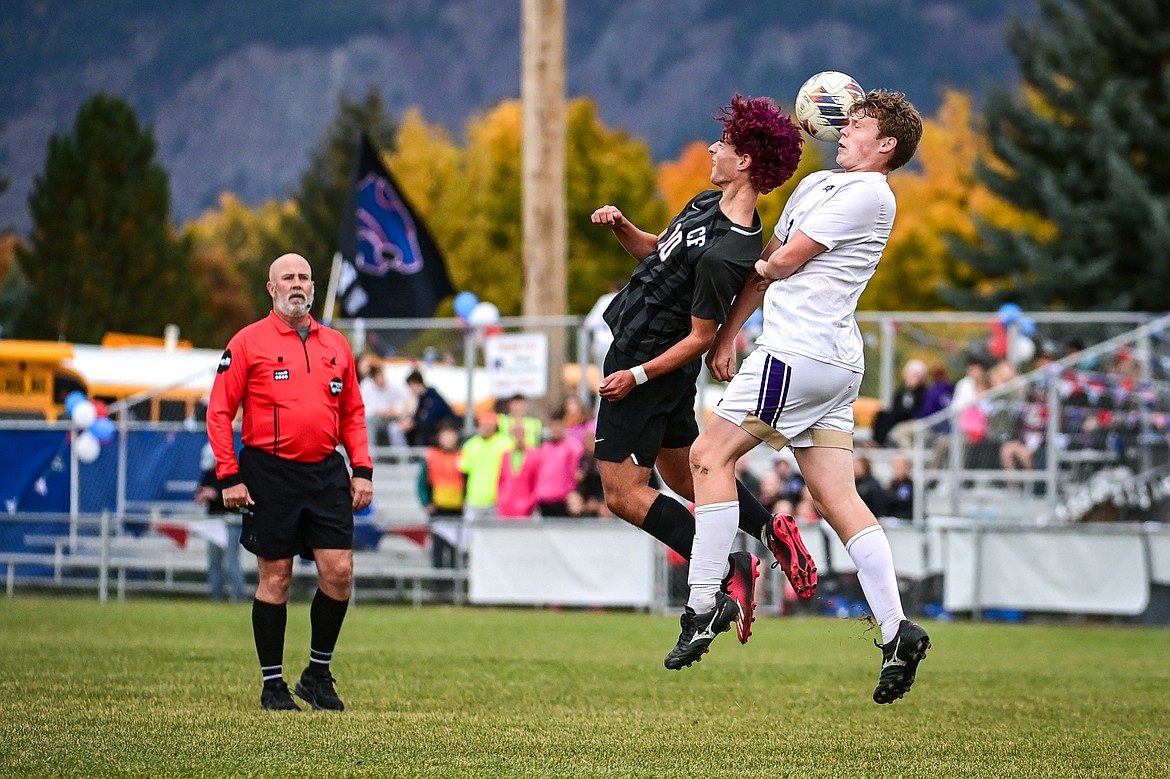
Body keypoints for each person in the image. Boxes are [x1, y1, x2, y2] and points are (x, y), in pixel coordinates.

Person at [680, 89, 931, 704]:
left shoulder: (872, 191)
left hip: (800, 354)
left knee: (708, 457)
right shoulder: (819, 183)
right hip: (828, 361)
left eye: (860, 123)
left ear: (888, 145)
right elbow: (770, 264)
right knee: (836, 495)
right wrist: (733, 329)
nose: (844, 128)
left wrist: (738, 261)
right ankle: (898, 629)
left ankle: (703, 602)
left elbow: (783, 260)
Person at [590, 93, 815, 650]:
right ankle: (768, 529)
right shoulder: (701, 205)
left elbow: (700, 337)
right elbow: (654, 254)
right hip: (646, 357)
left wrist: (637, 376)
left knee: (622, 493)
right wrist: (622, 226)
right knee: (688, 478)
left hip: (648, 363)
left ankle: (726, 569)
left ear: (744, 162)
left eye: (725, 142)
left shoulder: (730, 251)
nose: (714, 147)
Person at [206, 252, 373, 712]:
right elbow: (219, 412)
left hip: (325, 471)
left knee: (339, 572)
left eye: (303, 276)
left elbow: (353, 413)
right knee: (275, 577)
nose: (296, 284)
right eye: (288, 278)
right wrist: (229, 475)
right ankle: (272, 684)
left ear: (313, 286)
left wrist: (362, 468)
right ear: (271, 288)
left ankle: (317, 675)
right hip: (269, 472)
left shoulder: (336, 344)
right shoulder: (246, 342)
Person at [194, 442, 246, 602]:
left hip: (230, 522)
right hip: (213, 522)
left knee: (231, 562)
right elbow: (199, 494)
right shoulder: (208, 474)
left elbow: (237, 498)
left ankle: (238, 596)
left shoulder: (233, 473)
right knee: (214, 562)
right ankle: (216, 596)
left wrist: (216, 494)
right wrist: (203, 495)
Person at [417, 420, 464, 570]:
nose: (448, 439)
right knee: (438, 548)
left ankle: (454, 583)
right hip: (438, 508)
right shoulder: (432, 456)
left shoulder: (462, 456)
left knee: (455, 548)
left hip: (457, 509)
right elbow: (422, 483)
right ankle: (438, 584)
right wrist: (426, 502)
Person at [459, 410, 514, 521]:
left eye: (490, 424)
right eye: (483, 424)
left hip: (497, 499)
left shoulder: (505, 444)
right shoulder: (470, 445)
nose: (486, 428)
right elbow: (464, 473)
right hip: (474, 498)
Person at [534, 411, 585, 517]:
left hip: (563, 499)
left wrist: (574, 491)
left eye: (558, 426)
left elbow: (578, 472)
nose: (556, 429)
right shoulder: (544, 447)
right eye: (553, 426)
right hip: (543, 498)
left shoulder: (572, 447)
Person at [872, 358, 929, 448]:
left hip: (912, 417)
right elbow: (895, 405)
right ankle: (877, 442)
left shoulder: (923, 392)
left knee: (895, 419)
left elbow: (919, 409)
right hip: (899, 416)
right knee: (881, 414)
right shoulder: (902, 391)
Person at [495, 419, 540, 520]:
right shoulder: (506, 455)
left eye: (522, 433)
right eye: (516, 433)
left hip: (525, 507)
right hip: (506, 507)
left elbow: (537, 482)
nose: (519, 437)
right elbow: (501, 480)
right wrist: (502, 499)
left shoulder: (535, 456)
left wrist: (529, 502)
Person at [400, 370, 458, 447]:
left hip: (445, 426)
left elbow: (431, 416)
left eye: (411, 386)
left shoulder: (432, 396)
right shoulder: (421, 397)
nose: (411, 390)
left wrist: (414, 423)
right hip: (435, 428)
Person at [359, 362, 408, 448]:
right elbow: (363, 408)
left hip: (392, 418)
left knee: (395, 429)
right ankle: (371, 454)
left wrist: (395, 410)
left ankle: (401, 458)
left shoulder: (393, 386)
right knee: (369, 423)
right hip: (374, 419)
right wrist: (378, 411)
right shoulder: (366, 386)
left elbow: (403, 400)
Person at [884, 453, 914, 520]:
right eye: (896, 468)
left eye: (901, 467)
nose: (898, 471)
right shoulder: (891, 485)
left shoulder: (912, 486)